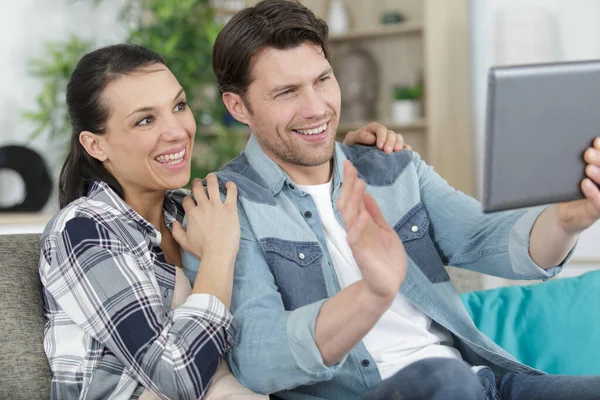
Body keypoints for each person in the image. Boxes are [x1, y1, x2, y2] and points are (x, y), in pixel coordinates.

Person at [182, 1, 600, 399]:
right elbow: (259, 357)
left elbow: (488, 238)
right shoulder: (226, 207)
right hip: (397, 389)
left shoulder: (389, 167)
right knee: (443, 377)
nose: (316, 108)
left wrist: (570, 218)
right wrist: (372, 294)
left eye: (322, 80)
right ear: (238, 106)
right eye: (287, 92)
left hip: (481, 384)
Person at [39, 43, 404, 399]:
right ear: (95, 144)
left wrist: (340, 161)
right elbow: (177, 378)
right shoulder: (84, 229)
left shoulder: (195, 208)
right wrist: (217, 256)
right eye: (146, 120)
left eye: (179, 106)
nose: (177, 131)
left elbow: (290, 281)